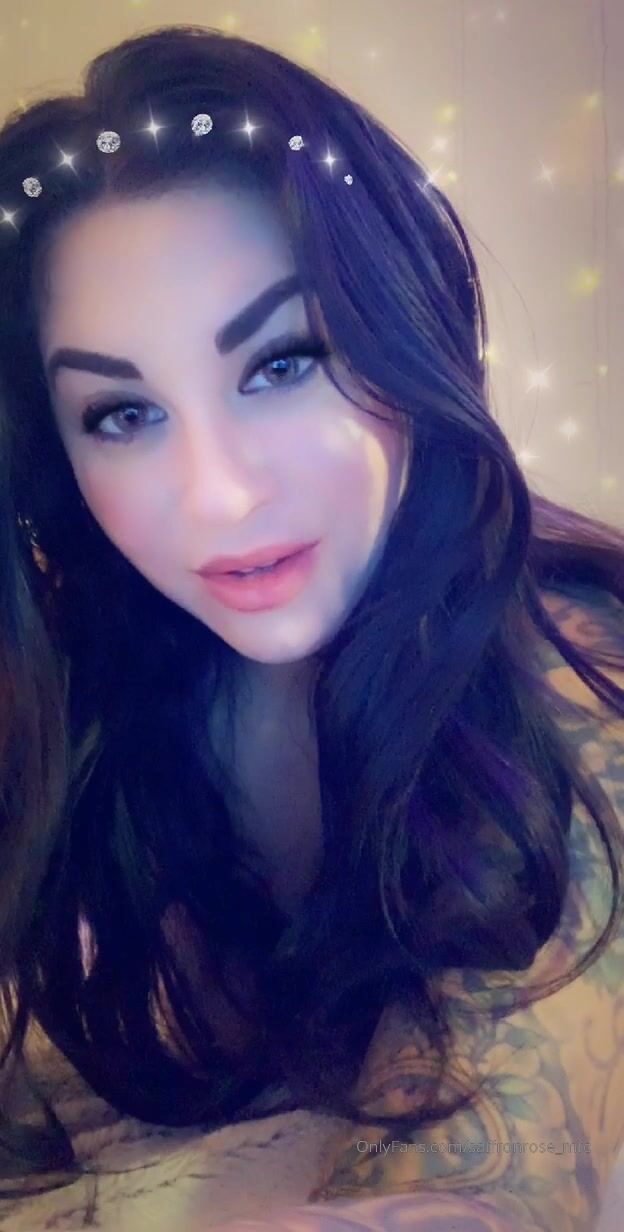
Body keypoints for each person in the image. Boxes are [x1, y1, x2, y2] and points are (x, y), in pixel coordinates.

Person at [0, 23, 623, 1232]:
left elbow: (482, 1186)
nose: (219, 495)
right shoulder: (91, 685)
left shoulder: (575, 682)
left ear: (404, 339)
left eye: (283, 361)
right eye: (122, 413)